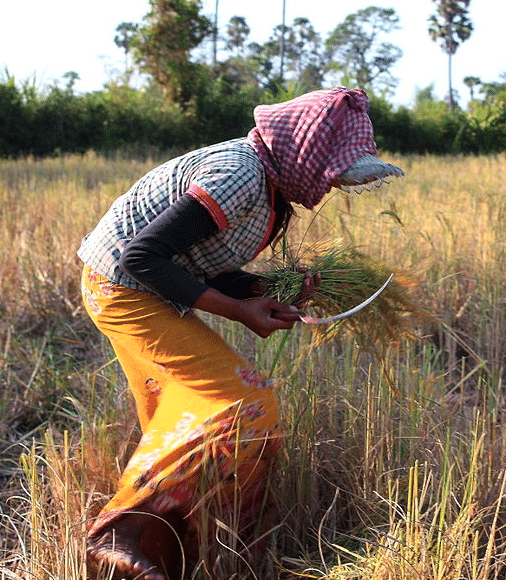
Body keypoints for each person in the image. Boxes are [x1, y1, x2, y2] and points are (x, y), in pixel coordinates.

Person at [78, 87, 403, 580]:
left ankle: (171, 551)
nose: (331, 187)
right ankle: (118, 529)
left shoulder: (272, 192)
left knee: (181, 409)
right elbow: (142, 258)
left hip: (145, 283)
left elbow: (202, 262)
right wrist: (239, 310)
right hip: (122, 287)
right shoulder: (240, 175)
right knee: (244, 401)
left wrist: (262, 288)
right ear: (303, 152)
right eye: (332, 174)